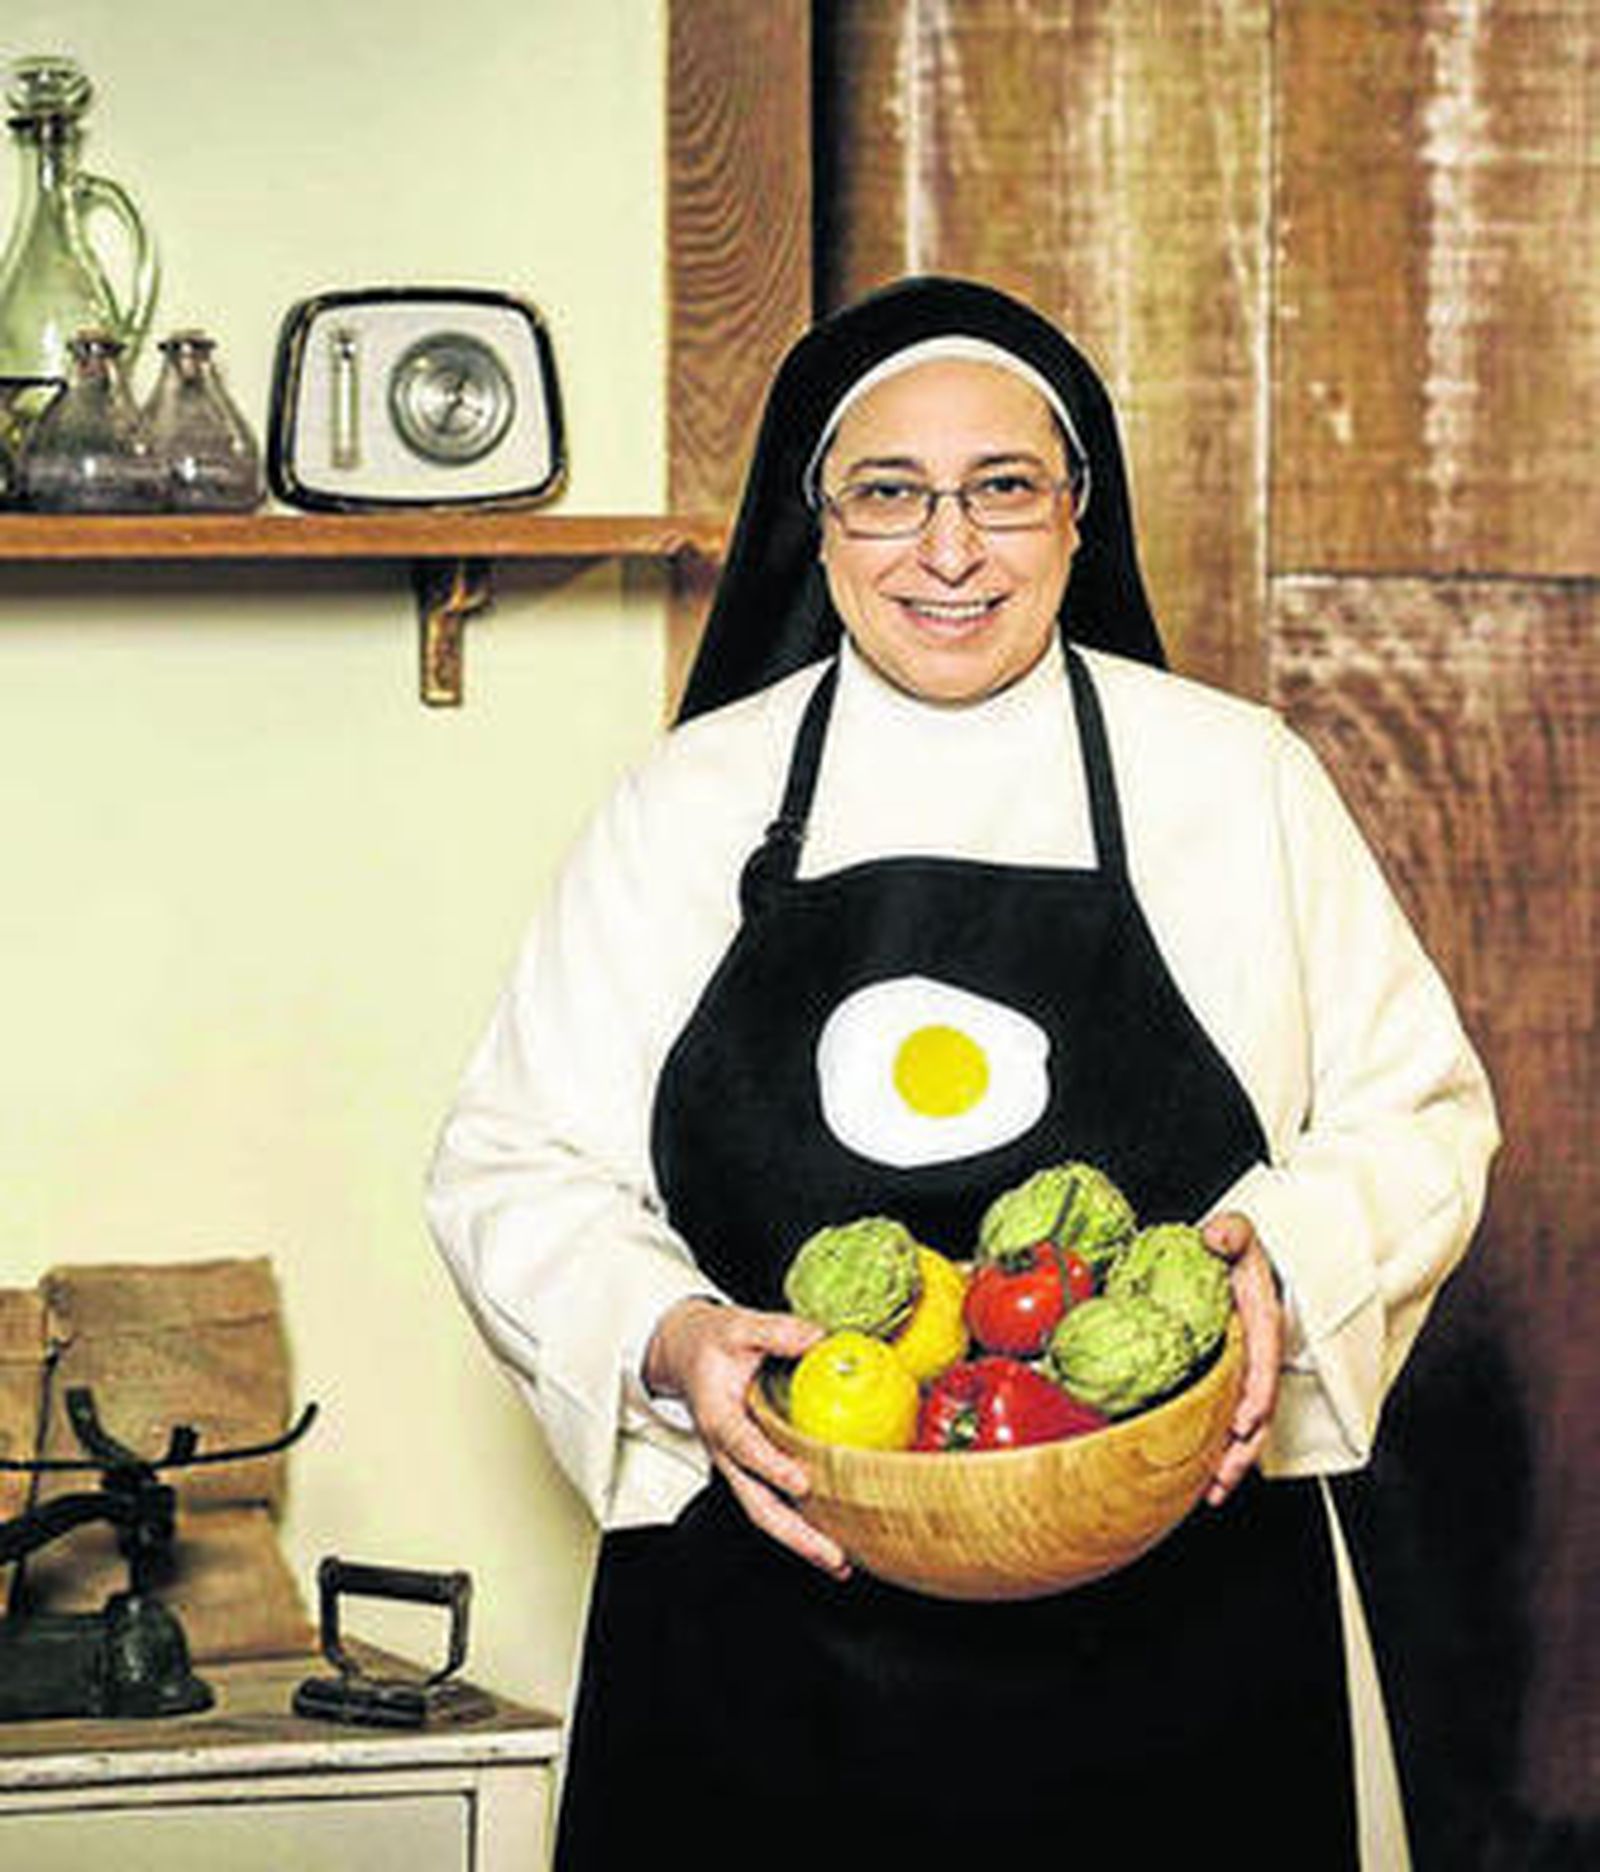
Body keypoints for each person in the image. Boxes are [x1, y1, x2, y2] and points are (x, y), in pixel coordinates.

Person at [425, 276, 1498, 1870]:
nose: (946, 549)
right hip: (768, 1634)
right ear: (820, 525)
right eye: (889, 494)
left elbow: (1418, 1116)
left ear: (1078, 517)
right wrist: (670, 1338)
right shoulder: (686, 805)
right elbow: (515, 1161)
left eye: (1003, 490)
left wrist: (1286, 1256)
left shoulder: (1238, 779)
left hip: (1184, 1630)